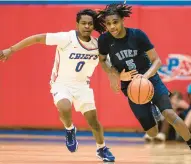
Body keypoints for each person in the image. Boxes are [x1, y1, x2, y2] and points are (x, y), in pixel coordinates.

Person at [0, 9, 115, 162]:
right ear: (77, 24)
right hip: (61, 83)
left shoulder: (97, 45)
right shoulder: (66, 38)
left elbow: (107, 63)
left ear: (93, 26)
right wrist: (11, 49)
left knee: (93, 121)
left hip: (82, 86)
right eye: (83, 23)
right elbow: (36, 39)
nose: (86, 26)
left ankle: (102, 148)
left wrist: (116, 75)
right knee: (65, 107)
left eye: (89, 23)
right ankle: (69, 129)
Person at [96, 3, 191, 163]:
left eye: (115, 22)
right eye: (109, 23)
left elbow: (157, 61)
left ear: (123, 20)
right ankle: (153, 109)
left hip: (150, 79)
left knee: (170, 114)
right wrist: (116, 75)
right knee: (152, 133)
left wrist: (144, 77)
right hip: (130, 86)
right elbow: (103, 61)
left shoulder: (137, 35)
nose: (112, 26)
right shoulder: (104, 40)